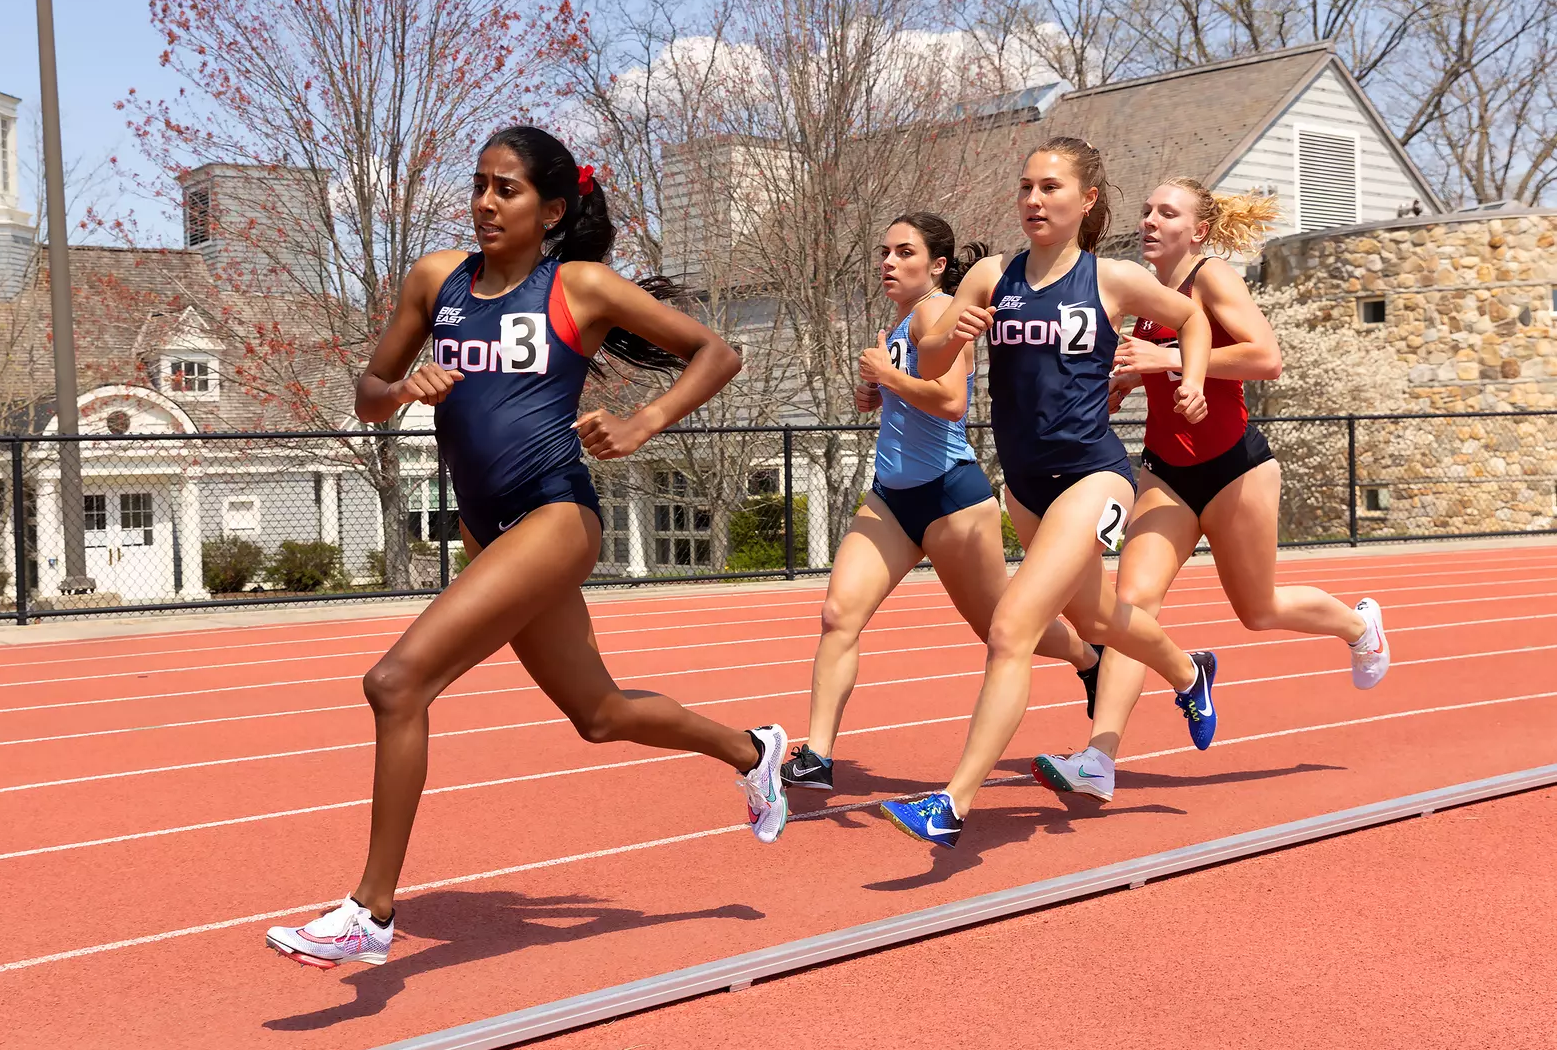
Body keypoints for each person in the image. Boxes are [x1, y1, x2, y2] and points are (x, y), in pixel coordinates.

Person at [266, 126, 789, 969]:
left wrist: (642, 422)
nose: (484, 203)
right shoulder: (437, 280)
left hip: (554, 518)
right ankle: (750, 750)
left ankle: (372, 912)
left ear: (550, 211)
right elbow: (366, 393)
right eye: (478, 185)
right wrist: (404, 388)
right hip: (485, 529)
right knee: (599, 715)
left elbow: (714, 352)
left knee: (396, 682)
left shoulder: (577, 286)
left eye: (505, 190)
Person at [880, 137, 1221, 848]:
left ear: (1086, 201)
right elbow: (936, 355)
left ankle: (952, 803)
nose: (1034, 201)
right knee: (1100, 619)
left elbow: (1191, 318)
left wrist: (1187, 378)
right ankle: (1190, 673)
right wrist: (955, 332)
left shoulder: (1113, 279)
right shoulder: (990, 278)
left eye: (1051, 189)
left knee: (1012, 629)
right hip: (1027, 487)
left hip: (1095, 477)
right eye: (1027, 188)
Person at [1032, 178, 1390, 803]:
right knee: (1128, 611)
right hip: (1166, 473)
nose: (1149, 220)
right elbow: (1153, 363)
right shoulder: (1146, 298)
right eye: (1146, 210)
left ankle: (1358, 627)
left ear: (1196, 231)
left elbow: (1265, 357)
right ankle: (1099, 758)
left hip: (1235, 470)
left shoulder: (1212, 276)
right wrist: (1123, 382)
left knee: (1258, 609)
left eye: (1166, 212)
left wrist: (1166, 362)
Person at [780, 214, 1102, 794]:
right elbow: (908, 398)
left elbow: (952, 403)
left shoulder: (939, 311)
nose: (888, 261)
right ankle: (818, 755)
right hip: (890, 497)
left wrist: (888, 376)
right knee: (838, 615)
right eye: (884, 251)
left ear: (937, 266)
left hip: (952, 498)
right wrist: (873, 390)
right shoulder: (903, 321)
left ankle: (1089, 658)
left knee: (1000, 630)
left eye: (904, 252)